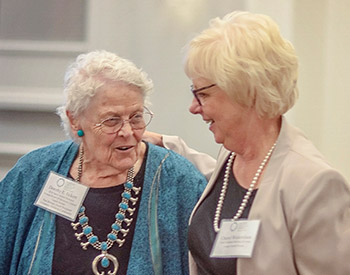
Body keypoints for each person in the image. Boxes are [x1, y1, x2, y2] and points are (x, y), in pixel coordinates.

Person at [144, 11, 350, 275]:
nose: (193, 107)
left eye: (203, 93)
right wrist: (164, 142)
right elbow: (227, 186)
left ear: (245, 90)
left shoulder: (315, 185)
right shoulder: (232, 154)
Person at [0, 50, 207, 275]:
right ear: (74, 118)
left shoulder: (179, 181)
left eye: (136, 116)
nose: (128, 132)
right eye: (112, 120)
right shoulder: (33, 173)